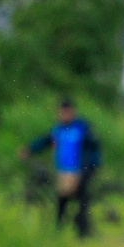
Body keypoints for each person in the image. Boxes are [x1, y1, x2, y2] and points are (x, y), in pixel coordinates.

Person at [22, 99, 102, 237]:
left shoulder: (81, 127)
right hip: (64, 171)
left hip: (81, 169)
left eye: (66, 112)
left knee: (81, 200)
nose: (63, 115)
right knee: (62, 199)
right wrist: (29, 149)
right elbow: (44, 141)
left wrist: (92, 165)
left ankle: (83, 234)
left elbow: (95, 144)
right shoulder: (57, 130)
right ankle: (59, 231)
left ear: (72, 112)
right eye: (61, 112)